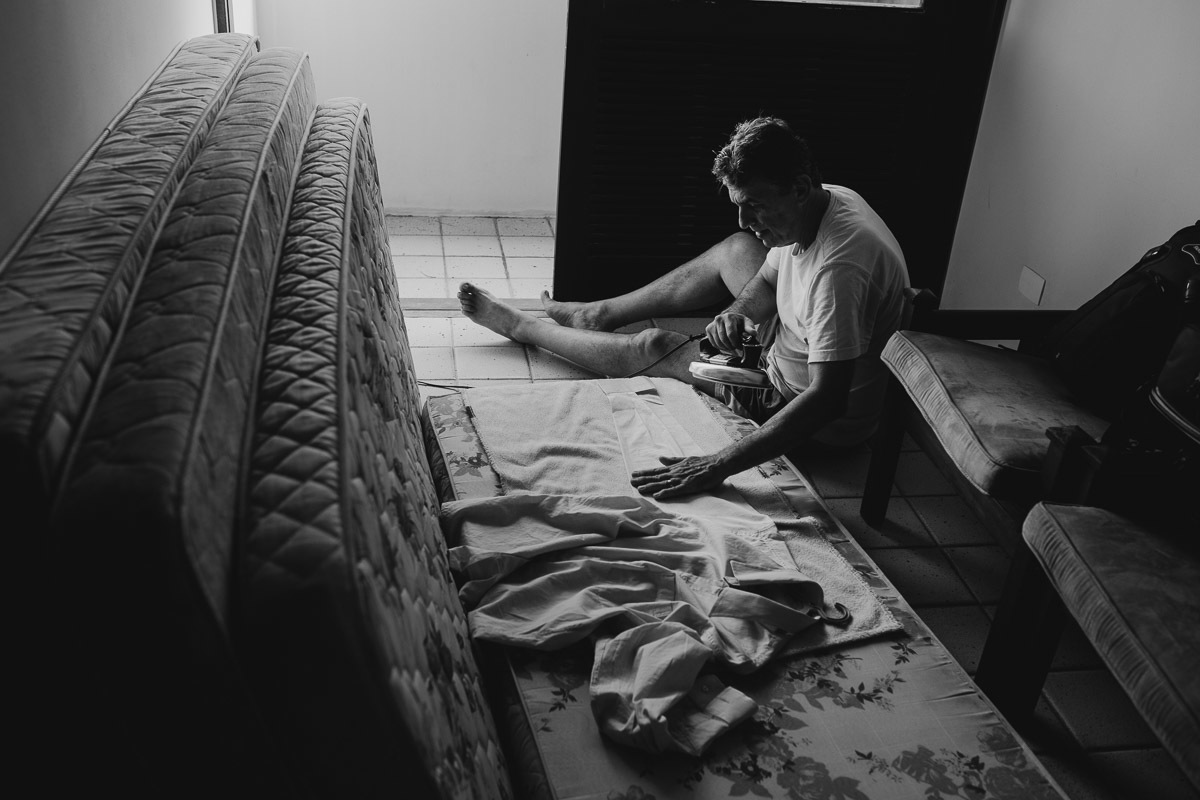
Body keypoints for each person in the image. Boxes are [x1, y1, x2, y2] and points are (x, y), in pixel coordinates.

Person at [458, 116, 909, 500]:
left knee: (655, 345)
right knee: (737, 249)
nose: (745, 219)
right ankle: (597, 315)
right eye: (739, 204)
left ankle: (523, 328)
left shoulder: (839, 270)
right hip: (798, 342)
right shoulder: (825, 198)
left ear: (800, 188)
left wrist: (716, 465)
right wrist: (738, 314)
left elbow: (827, 400)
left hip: (806, 410)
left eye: (755, 206)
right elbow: (770, 278)